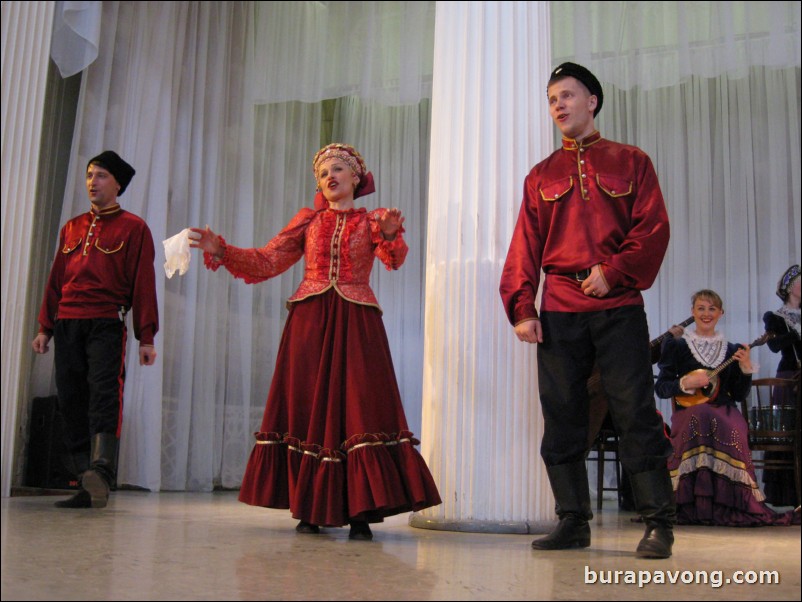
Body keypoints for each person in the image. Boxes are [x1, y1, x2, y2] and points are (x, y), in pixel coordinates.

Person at [189, 143, 441, 540]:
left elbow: (393, 261)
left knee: (358, 408)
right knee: (308, 408)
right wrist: (221, 250)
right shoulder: (307, 221)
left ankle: (360, 512)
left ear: (356, 177)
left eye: (338, 169)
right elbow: (268, 261)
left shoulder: (372, 220)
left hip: (357, 320)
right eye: (324, 173)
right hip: (310, 321)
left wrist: (391, 236)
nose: (330, 177)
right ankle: (309, 508)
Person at [499, 62, 675, 558]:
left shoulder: (631, 160)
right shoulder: (541, 175)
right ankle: (572, 521)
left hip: (618, 305)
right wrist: (521, 307)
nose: (558, 105)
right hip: (558, 309)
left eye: (568, 95)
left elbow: (653, 228)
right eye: (552, 98)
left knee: (634, 410)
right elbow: (524, 246)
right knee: (562, 415)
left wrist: (614, 271)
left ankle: (659, 524)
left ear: (592, 101)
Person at [32, 150, 159, 509]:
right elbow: (56, 281)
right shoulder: (71, 228)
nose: (93, 182)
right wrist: (45, 327)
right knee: (71, 397)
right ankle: (85, 482)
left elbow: (143, 284)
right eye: (89, 175)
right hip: (67, 320)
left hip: (105, 320)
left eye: (101, 175)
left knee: (104, 392)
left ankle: (102, 470)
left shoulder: (134, 228)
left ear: (117, 184)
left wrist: (145, 336)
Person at [655, 289, 799, 526]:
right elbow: (662, 388)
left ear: (721, 313)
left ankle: (730, 503)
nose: (706, 313)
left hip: (724, 409)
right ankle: (693, 504)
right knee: (699, 415)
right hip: (689, 411)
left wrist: (744, 368)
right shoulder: (678, 346)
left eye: (712, 308)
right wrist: (685, 383)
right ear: (692, 312)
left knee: (733, 425)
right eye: (701, 308)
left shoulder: (731, 350)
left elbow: (739, 394)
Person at [761, 264, 801, 506]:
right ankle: (785, 493)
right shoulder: (775, 317)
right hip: (788, 377)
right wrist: (795, 334)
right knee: (787, 432)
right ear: (789, 287)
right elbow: (774, 346)